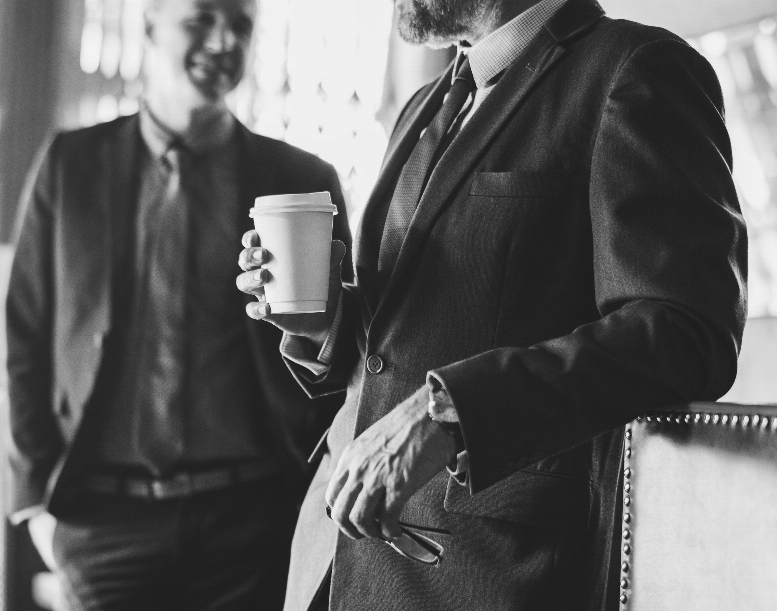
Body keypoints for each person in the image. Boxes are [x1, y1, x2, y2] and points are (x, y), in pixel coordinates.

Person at [237, 0, 748, 609]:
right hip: (334, 558)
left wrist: (446, 414)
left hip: (488, 577)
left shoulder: (637, 70)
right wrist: (325, 324)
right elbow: (400, 342)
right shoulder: (422, 106)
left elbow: (683, 333)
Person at [5, 0, 353, 608]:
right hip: (104, 526)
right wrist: (37, 504)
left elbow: (346, 349)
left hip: (254, 523)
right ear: (150, 24)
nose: (224, 41)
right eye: (201, 19)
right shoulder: (71, 165)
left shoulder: (302, 179)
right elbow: (26, 334)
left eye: (241, 26)